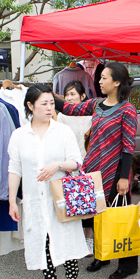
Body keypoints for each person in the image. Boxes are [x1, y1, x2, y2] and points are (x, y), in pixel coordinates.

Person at [8, 84, 90, 279]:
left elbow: (76, 162)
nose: (48, 108)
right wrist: (12, 200)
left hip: (60, 197)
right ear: (30, 106)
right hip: (34, 198)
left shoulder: (61, 131)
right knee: (43, 242)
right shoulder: (19, 135)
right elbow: (14, 169)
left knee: (66, 240)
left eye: (51, 103)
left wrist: (57, 165)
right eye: (43, 103)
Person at [60, 62, 138, 279]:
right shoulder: (96, 104)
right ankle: (102, 255)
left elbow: (128, 146)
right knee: (96, 217)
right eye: (100, 78)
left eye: (104, 78)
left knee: (118, 218)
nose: (100, 81)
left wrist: (124, 177)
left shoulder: (127, 110)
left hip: (115, 172)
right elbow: (69, 109)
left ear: (117, 82)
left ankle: (128, 264)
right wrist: (46, 98)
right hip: (93, 170)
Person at [56, 81, 95, 244]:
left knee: (89, 203)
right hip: (70, 165)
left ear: (83, 96)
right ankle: (75, 242)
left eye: (73, 94)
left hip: (89, 163)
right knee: (72, 203)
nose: (69, 98)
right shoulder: (62, 115)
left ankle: (90, 240)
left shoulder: (90, 114)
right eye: (67, 95)